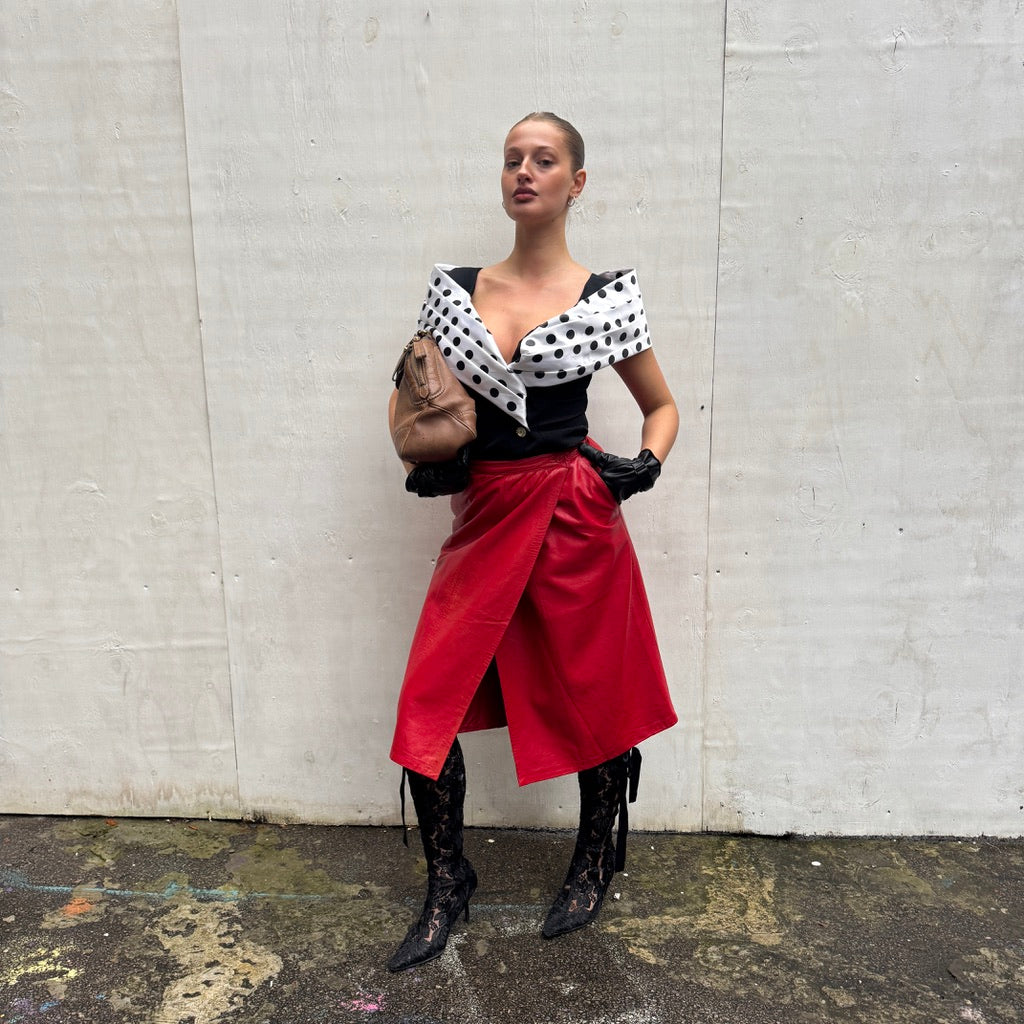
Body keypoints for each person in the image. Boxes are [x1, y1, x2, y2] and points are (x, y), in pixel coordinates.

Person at [385, 112, 679, 973]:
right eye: (512, 159)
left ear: (575, 183)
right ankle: (449, 881)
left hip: (575, 514)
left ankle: (592, 862)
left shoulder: (607, 298)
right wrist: (423, 454)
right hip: (484, 515)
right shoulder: (455, 288)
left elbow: (663, 406)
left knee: (593, 697)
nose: (524, 171)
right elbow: (409, 385)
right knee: (429, 707)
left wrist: (641, 466)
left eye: (544, 160)